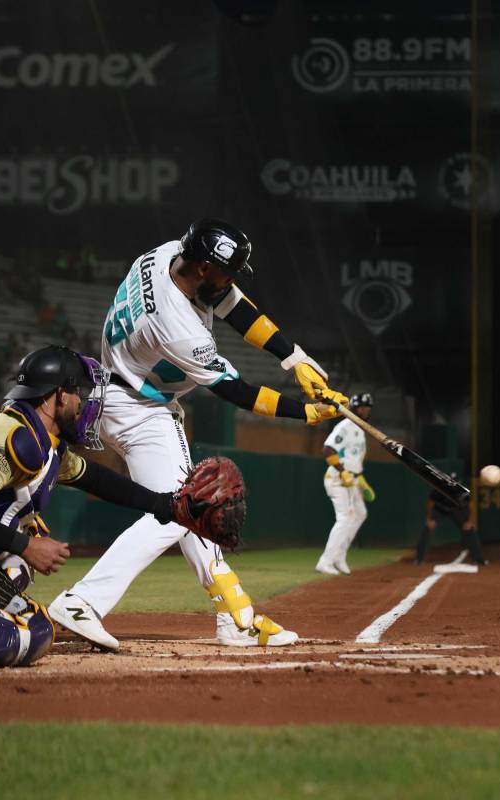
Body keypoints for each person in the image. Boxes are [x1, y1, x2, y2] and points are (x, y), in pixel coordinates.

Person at [47, 218, 348, 651]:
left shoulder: (170, 252)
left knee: (192, 510)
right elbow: (236, 392)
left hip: (119, 393)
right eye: (226, 271)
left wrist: (293, 358)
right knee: (180, 510)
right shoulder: (178, 327)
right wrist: (306, 412)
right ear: (205, 267)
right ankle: (82, 602)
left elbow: (234, 305)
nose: (230, 280)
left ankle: (236, 617)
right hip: (139, 409)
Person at [0, 346, 243, 671]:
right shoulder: (15, 434)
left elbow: (96, 480)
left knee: (19, 567)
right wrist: (26, 547)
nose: (87, 403)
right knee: (32, 627)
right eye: (80, 393)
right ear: (58, 395)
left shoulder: (42, 440)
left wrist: (169, 506)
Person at [316, 393, 375, 575]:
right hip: (338, 478)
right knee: (346, 517)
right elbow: (327, 449)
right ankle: (325, 561)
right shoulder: (346, 425)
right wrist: (343, 471)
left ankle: (339, 556)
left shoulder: (361, 428)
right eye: (361, 407)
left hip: (352, 479)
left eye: (367, 407)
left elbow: (354, 459)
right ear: (354, 408)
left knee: (360, 513)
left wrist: (361, 481)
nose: (364, 410)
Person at [414, 478, 486, 566]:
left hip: (457, 510)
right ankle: (419, 559)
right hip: (440, 508)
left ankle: (479, 559)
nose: (452, 486)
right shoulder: (438, 489)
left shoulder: (463, 492)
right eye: (450, 484)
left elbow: (471, 506)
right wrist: (429, 519)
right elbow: (430, 503)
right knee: (428, 527)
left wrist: (470, 521)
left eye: (454, 484)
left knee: (469, 528)